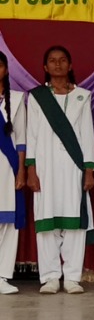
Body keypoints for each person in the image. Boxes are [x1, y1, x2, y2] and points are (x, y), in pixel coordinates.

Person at [25, 45, 94, 295]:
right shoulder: (36, 97)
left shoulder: (82, 96)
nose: (57, 64)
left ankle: (73, 277)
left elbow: (87, 134)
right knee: (47, 222)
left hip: (73, 167)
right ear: (45, 67)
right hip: (45, 167)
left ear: (70, 65)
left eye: (62, 60)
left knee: (74, 223)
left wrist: (89, 170)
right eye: (52, 61)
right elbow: (30, 135)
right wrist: (31, 170)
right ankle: (51, 277)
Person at [0, 51, 26, 295]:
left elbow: (21, 141)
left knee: (7, 223)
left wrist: (20, 172)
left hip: (7, 169)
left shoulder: (17, 99)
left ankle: (2, 275)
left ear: (5, 70)